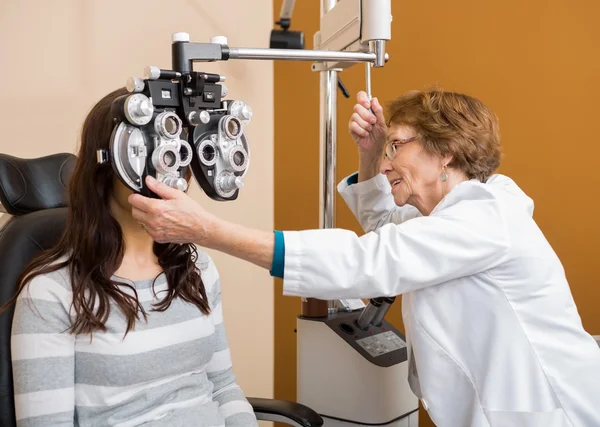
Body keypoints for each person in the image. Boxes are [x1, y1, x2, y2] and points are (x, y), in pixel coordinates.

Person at [129, 89, 600, 427]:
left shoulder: (487, 219)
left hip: (552, 412)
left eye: (399, 145)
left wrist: (206, 229)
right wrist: (372, 155)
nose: (390, 159)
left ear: (447, 154)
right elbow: (390, 235)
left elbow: (368, 259)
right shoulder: (454, 218)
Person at [2, 88, 258, 427]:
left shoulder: (197, 270)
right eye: (149, 149)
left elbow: (223, 388)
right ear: (107, 165)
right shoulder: (51, 293)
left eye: (176, 152)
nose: (168, 169)